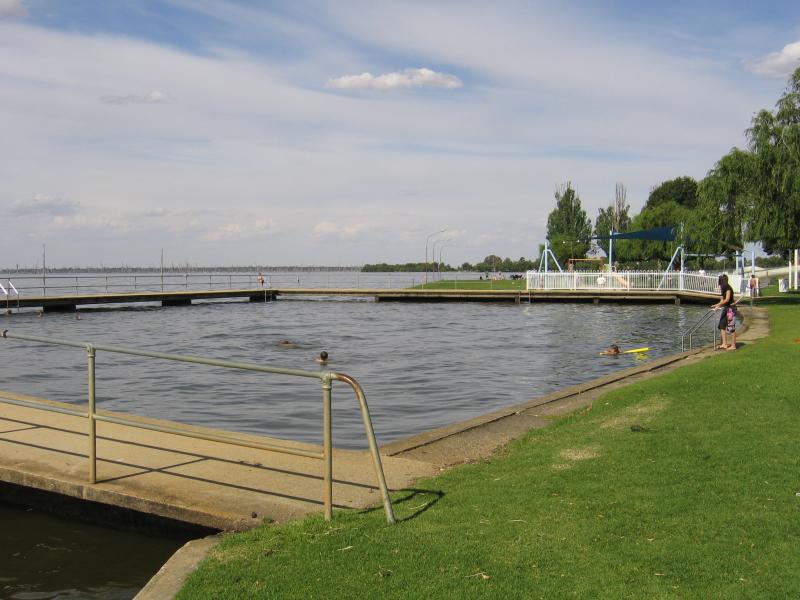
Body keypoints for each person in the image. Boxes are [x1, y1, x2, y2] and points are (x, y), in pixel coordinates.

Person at [712, 274, 736, 350]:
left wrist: (717, 304)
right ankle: (724, 344)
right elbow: (722, 300)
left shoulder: (728, 288)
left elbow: (727, 299)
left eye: (721, 281)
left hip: (730, 309)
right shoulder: (723, 288)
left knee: (731, 327)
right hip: (726, 308)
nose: (720, 283)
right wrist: (717, 306)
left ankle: (733, 346)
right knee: (722, 326)